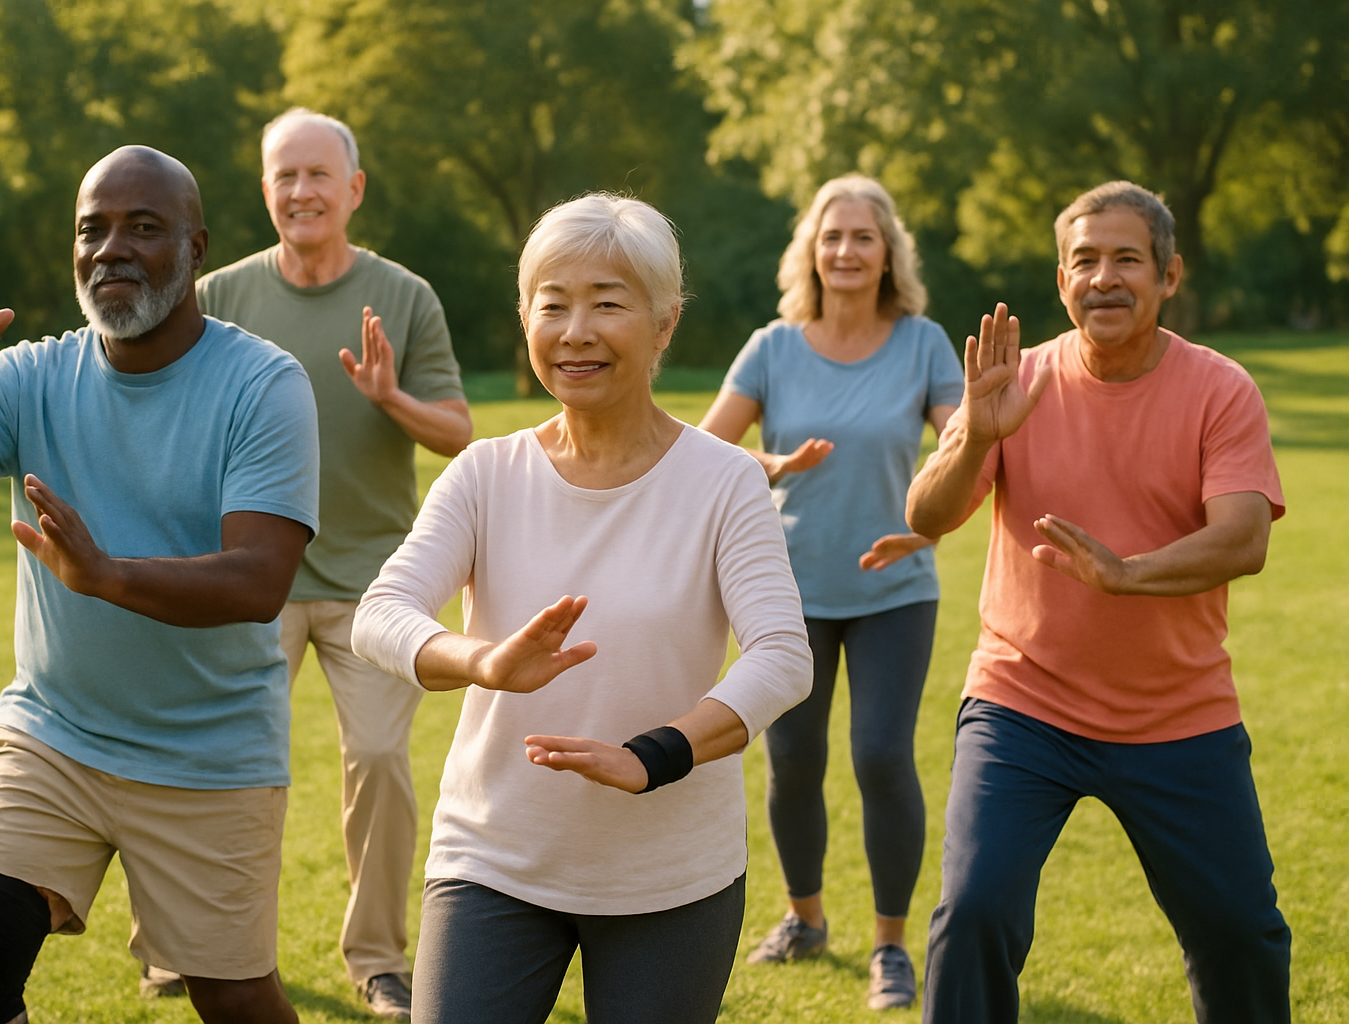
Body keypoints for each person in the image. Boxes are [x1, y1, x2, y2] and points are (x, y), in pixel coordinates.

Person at [0, 146, 320, 1024]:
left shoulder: (263, 385)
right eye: (91, 229)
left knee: (231, 996)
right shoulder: (31, 374)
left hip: (207, 754)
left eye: (143, 228)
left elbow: (260, 580)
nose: (110, 248)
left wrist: (107, 575)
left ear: (196, 248)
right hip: (54, 734)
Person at [350, 193, 813, 1024]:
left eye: (608, 303)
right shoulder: (484, 475)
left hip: (671, 874)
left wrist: (658, 754)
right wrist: (479, 661)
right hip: (494, 858)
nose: (575, 332)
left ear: (665, 323)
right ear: (524, 317)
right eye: (552, 305)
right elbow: (381, 612)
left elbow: (782, 655)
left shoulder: (724, 480)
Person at [907, 181, 1291, 1023]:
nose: (1104, 278)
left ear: (1168, 276)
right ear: (1061, 281)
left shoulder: (1220, 390)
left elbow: (1243, 538)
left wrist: (1126, 574)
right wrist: (977, 429)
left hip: (1178, 714)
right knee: (973, 914)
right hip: (1024, 703)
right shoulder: (1018, 385)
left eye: (1127, 259)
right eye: (1085, 260)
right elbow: (925, 516)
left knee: (1238, 932)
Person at [179, 108, 471, 1020]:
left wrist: (391, 398)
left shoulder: (405, 295)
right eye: (284, 177)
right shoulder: (218, 295)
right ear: (264, 190)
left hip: (370, 583)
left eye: (318, 176)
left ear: (353, 189)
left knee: (381, 758)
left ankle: (380, 958)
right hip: (247, 580)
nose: (301, 192)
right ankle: (182, 944)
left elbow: (458, 432)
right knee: (213, 763)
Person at [699, 174, 963, 1010]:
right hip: (787, 589)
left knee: (882, 756)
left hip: (895, 586)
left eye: (863, 237)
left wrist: (930, 525)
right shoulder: (772, 347)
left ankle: (891, 945)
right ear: (810, 250)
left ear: (889, 254)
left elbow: (967, 446)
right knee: (793, 759)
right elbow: (704, 454)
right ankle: (805, 919)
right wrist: (768, 466)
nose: (846, 251)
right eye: (832, 236)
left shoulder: (922, 344)